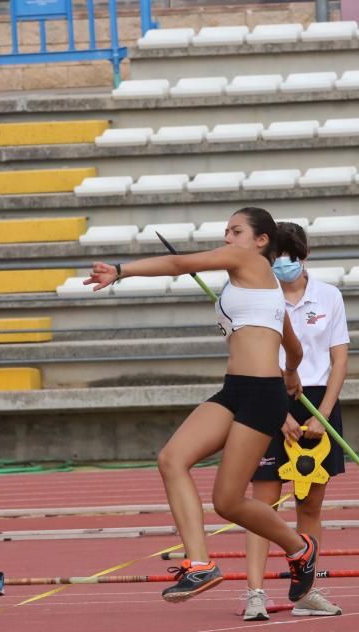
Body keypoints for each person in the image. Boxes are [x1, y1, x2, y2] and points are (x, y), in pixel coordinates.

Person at [84, 207, 320, 604]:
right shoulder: (256, 288)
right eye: (226, 232)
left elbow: (179, 263)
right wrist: (293, 372)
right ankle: (200, 564)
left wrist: (121, 270)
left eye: (236, 231)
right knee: (172, 459)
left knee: (228, 501)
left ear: (260, 240)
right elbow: (292, 344)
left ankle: (300, 548)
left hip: (262, 393)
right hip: (234, 389)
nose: (228, 238)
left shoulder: (248, 260)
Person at [243, 222, 349, 621]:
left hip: (320, 400)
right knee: (261, 503)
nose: (281, 267)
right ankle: (254, 594)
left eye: (288, 259)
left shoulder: (329, 295)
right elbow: (256, 355)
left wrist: (326, 413)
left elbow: (340, 357)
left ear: (302, 258)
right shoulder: (259, 297)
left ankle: (307, 592)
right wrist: (278, 411)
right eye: (274, 261)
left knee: (310, 502)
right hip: (269, 396)